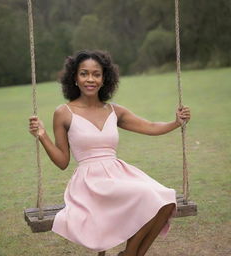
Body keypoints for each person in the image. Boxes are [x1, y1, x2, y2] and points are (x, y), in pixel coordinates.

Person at [29, 50, 191, 256]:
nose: (90, 79)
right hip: (90, 182)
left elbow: (150, 126)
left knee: (166, 200)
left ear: (104, 78)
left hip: (117, 173)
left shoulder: (114, 111)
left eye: (96, 74)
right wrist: (42, 135)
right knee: (147, 195)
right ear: (75, 78)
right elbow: (62, 161)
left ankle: (130, 254)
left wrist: (176, 122)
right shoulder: (64, 113)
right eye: (84, 73)